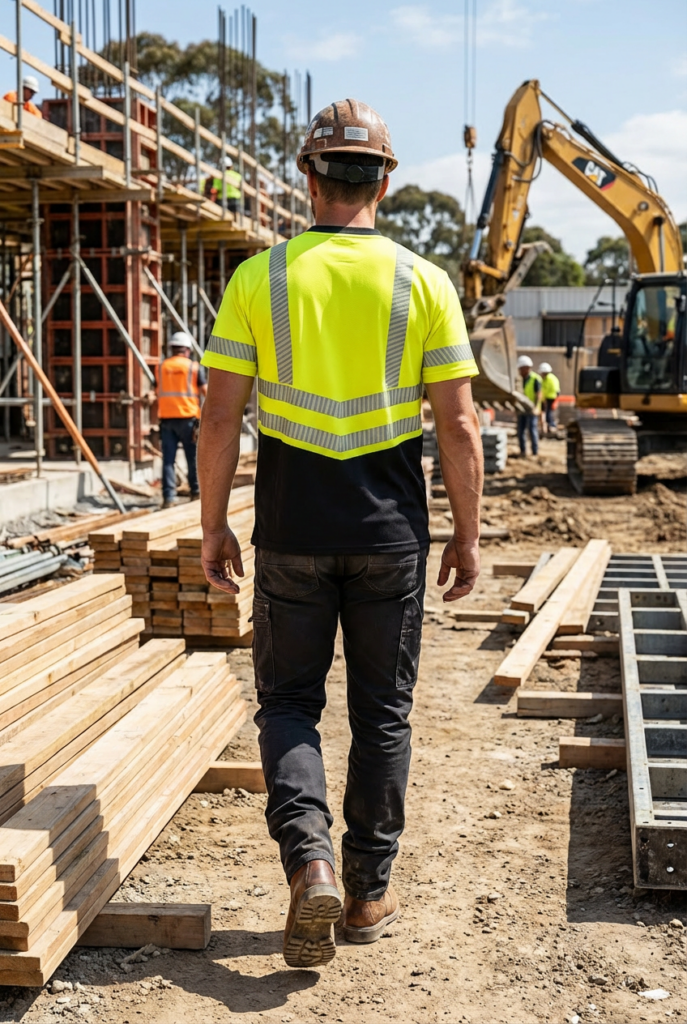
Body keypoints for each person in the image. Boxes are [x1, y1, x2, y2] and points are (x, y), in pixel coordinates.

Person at [197, 97, 483, 968]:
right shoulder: (423, 282)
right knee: (382, 713)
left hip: (289, 528)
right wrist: (465, 537)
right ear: (386, 182)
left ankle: (309, 862)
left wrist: (213, 526)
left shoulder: (260, 278)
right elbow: (460, 425)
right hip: (390, 535)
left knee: (288, 704)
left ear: (307, 175)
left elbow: (216, 420)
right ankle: (363, 896)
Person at [155, 332, 206, 508]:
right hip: (188, 419)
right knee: (192, 457)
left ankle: (169, 498)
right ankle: (196, 492)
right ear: (188, 350)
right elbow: (206, 391)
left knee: (168, 460)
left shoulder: (162, 367)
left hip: (167, 419)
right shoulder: (193, 367)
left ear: (172, 348)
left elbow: (158, 390)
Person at [516, 354, 541, 456]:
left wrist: (536, 408)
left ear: (527, 368)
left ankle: (535, 452)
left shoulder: (535, 378)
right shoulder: (519, 379)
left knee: (532, 430)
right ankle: (523, 451)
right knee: (521, 431)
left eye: (522, 369)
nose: (520, 371)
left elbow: (539, 395)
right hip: (522, 409)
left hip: (532, 409)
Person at [538, 361, 560, 436]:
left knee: (548, 412)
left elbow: (549, 390)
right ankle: (548, 426)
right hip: (547, 398)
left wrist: (544, 399)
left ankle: (551, 425)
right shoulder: (548, 378)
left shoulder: (549, 379)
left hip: (550, 398)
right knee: (547, 412)